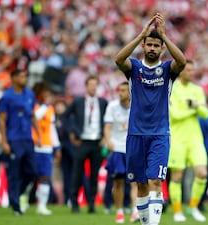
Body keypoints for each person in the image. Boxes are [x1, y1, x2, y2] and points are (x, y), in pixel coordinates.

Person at [114, 12, 186, 225]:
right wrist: (140, 35)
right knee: (141, 184)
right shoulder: (134, 68)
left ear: (162, 48)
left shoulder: (167, 70)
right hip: (135, 134)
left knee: (156, 180)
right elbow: (118, 59)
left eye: (157, 45)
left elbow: (181, 61)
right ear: (144, 46)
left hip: (159, 135)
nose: (153, 48)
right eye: (150, 45)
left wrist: (164, 36)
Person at [167, 59, 208, 222]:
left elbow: (206, 114)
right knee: (177, 176)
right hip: (177, 139)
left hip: (195, 139)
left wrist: (194, 106)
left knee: (202, 174)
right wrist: (194, 109)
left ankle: (193, 207)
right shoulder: (173, 89)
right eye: (188, 70)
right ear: (181, 71)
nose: (191, 73)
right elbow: (175, 115)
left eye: (193, 70)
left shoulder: (197, 90)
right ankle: (177, 211)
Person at [0, 69, 42, 216]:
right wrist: (4, 142)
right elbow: (2, 120)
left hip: (27, 139)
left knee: (33, 172)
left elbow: (33, 116)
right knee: (14, 173)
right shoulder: (7, 97)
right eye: (22, 76)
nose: (25, 78)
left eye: (25, 76)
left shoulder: (29, 94)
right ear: (13, 78)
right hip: (13, 139)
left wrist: (39, 135)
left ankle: (18, 194)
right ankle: (16, 205)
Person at [63, 75, 108, 214]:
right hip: (82, 141)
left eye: (95, 85)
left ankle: (92, 204)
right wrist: (72, 132)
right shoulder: (78, 101)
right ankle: (74, 203)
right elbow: (64, 116)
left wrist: (104, 137)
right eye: (91, 84)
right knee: (77, 173)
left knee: (94, 175)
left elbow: (108, 121)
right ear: (86, 87)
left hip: (96, 142)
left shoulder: (102, 102)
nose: (93, 87)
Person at [103, 81, 139, 223]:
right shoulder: (112, 106)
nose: (120, 93)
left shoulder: (137, 107)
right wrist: (108, 141)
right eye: (119, 90)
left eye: (124, 90)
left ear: (130, 92)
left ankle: (135, 211)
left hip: (133, 148)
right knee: (118, 182)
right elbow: (107, 126)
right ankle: (119, 212)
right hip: (117, 148)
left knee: (135, 182)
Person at [31, 82, 61, 215]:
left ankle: (41, 205)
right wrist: (45, 105)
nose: (49, 96)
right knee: (30, 176)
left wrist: (57, 146)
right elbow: (35, 118)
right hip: (33, 145)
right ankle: (23, 201)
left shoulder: (49, 109)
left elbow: (52, 129)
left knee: (45, 176)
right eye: (46, 94)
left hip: (46, 147)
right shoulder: (34, 107)